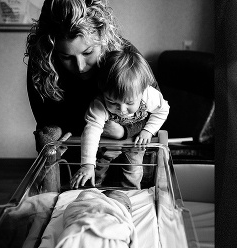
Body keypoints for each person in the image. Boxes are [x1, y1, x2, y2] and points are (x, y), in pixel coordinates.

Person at [26, 0, 141, 152]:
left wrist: (123, 132)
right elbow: (45, 120)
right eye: (66, 57)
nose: (80, 66)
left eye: (88, 52)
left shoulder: (125, 57)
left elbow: (154, 112)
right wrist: (51, 139)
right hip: (71, 151)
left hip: (118, 151)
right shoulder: (42, 63)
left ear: (103, 37)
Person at [70, 47, 169, 189]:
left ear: (142, 91)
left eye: (129, 103)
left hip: (135, 143)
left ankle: (131, 193)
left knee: (134, 170)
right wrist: (87, 164)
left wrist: (148, 130)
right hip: (108, 144)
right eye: (112, 102)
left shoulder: (149, 95)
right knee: (99, 167)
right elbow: (91, 132)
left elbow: (163, 110)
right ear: (103, 92)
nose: (122, 110)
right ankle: (95, 187)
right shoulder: (99, 104)